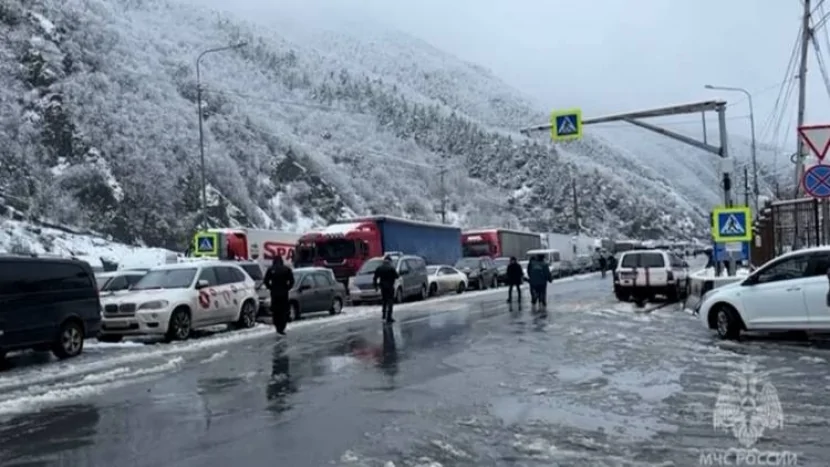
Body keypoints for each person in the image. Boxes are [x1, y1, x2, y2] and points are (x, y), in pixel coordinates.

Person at [263, 256, 295, 335]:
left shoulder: (271, 269)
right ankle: (282, 327)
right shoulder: (286, 269)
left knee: (276, 311)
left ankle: (277, 327)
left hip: (274, 294)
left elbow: (266, 281)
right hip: (284, 294)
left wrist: (271, 288)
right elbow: (292, 281)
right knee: (283, 310)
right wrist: (287, 288)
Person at [373, 255, 399, 324]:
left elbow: (375, 278)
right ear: (390, 261)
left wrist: (375, 286)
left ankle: (384, 315)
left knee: (384, 301)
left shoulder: (379, 268)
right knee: (390, 302)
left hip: (383, 287)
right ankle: (389, 317)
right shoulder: (391, 268)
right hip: (390, 287)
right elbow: (397, 276)